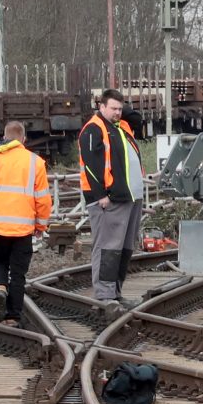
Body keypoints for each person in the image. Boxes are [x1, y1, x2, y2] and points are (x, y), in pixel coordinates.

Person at [0, 121, 51, 326]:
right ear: (23, 139)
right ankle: (12, 316)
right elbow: (43, 199)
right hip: (23, 227)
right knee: (18, 273)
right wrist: (41, 226)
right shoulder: (35, 162)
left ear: (5, 136)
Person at [79, 89, 145, 303]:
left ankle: (115, 292)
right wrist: (101, 196)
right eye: (113, 108)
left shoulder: (120, 126)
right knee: (108, 248)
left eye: (120, 108)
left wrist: (120, 109)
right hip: (110, 200)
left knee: (124, 249)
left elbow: (138, 119)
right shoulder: (94, 129)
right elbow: (91, 165)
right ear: (102, 107)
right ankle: (105, 295)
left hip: (130, 197)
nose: (118, 112)